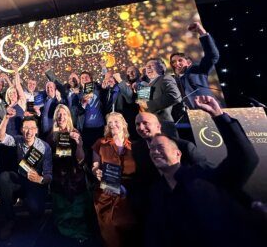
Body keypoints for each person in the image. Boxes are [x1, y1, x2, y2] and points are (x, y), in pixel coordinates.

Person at [145, 96, 264, 247]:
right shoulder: (157, 192)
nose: (155, 151)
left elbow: (245, 158)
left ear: (178, 153)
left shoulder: (204, 174)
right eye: (152, 149)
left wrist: (219, 116)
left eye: (160, 147)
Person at [0, 114, 53, 239]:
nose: (29, 131)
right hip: (20, 179)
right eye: (25, 128)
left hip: (36, 182)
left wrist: (40, 179)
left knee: (36, 209)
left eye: (32, 128)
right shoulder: (18, 140)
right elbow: (0, 137)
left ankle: (37, 218)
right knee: (4, 177)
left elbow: (49, 174)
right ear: (21, 130)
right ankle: (9, 220)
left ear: (37, 130)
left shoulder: (45, 147)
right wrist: (6, 117)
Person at [46, 104, 92, 241]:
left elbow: (81, 159)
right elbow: (47, 158)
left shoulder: (75, 132)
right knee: (61, 210)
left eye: (64, 114)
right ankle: (65, 228)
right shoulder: (50, 135)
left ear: (68, 117)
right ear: (55, 117)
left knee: (79, 211)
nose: (61, 117)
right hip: (58, 175)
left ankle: (79, 228)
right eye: (59, 114)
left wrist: (78, 144)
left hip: (74, 174)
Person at [91, 112, 137, 247]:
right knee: (111, 227)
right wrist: (96, 172)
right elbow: (95, 166)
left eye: (116, 121)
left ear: (124, 124)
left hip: (129, 192)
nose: (113, 125)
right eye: (109, 122)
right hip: (107, 190)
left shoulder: (135, 146)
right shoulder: (100, 143)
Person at [170, 21, 220, 109]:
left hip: (211, 110)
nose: (176, 64)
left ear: (189, 63)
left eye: (180, 60)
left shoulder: (198, 71)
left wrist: (201, 32)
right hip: (189, 117)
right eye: (173, 62)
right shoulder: (171, 80)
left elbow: (212, 56)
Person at [136, 58, 181, 123]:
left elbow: (174, 95)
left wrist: (149, 105)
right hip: (147, 125)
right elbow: (142, 106)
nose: (148, 67)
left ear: (161, 68)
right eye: (146, 66)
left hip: (162, 124)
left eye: (152, 65)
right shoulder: (144, 85)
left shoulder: (165, 78)